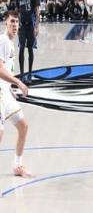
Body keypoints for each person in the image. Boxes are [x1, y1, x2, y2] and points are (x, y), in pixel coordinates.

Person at [0, 10, 32, 178]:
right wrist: (18, 82)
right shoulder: (3, 41)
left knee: (23, 126)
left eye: (16, 22)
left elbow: (6, 70)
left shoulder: (11, 43)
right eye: (11, 21)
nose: (14, 25)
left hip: (5, 92)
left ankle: (17, 166)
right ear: (5, 22)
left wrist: (10, 88)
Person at [14, 0, 40, 83]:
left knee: (30, 49)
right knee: (21, 49)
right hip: (22, 26)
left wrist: (37, 27)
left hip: (31, 26)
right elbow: (16, 12)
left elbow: (37, 12)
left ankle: (29, 73)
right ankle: (22, 75)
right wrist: (16, 25)